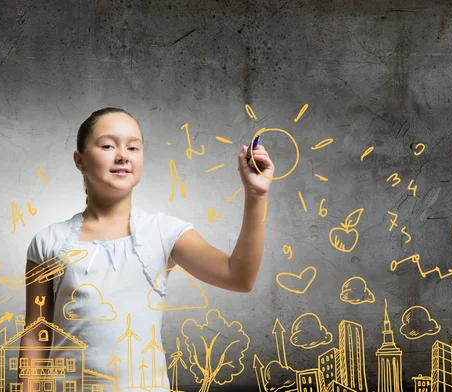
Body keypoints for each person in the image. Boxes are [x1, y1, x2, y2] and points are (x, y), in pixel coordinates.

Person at [17, 107, 274, 391]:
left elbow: (238, 277)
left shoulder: (164, 232)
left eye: (133, 147)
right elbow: (36, 333)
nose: (122, 155)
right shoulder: (48, 241)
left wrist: (256, 194)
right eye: (107, 145)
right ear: (80, 160)